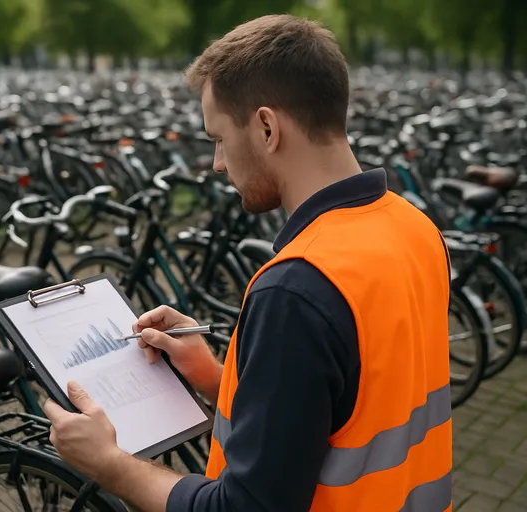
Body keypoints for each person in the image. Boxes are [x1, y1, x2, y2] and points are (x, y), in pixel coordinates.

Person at [43, 13, 452, 512]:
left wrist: (110, 464)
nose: (217, 163)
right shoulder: (414, 228)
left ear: (265, 127)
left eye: (218, 138)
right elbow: (353, 398)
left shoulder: (297, 288)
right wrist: (216, 376)